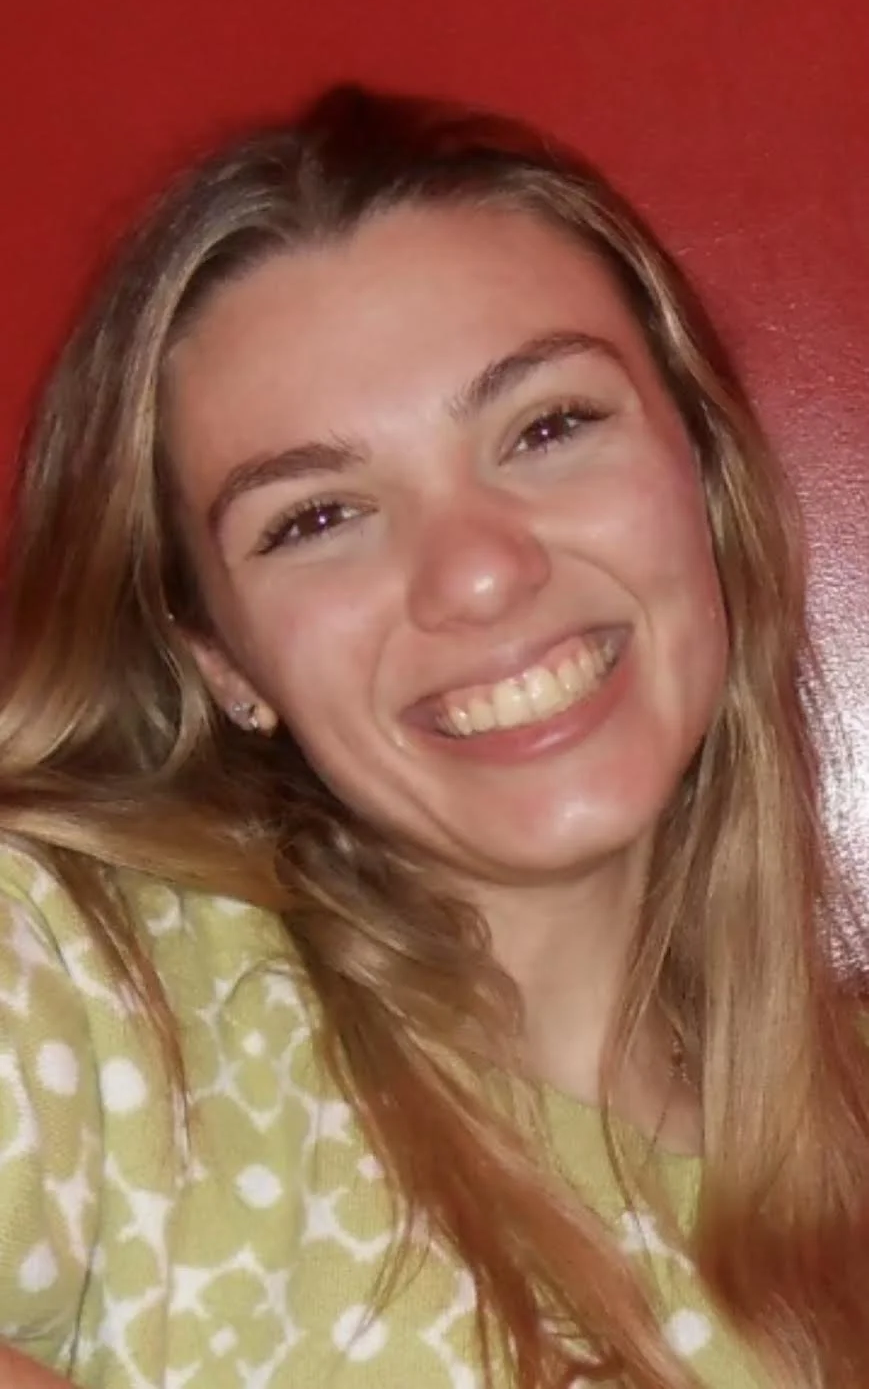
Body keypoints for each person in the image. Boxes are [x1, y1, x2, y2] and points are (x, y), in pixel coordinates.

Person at [0, 83, 866, 1389]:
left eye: (548, 427)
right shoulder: (89, 984)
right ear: (222, 657)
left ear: (704, 473)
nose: (477, 570)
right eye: (315, 518)